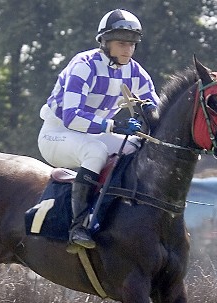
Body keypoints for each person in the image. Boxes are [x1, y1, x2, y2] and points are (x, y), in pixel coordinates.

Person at [37, 9, 160, 251]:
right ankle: (78, 225)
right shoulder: (83, 65)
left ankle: (117, 210)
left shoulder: (134, 71)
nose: (128, 50)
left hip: (93, 134)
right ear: (104, 42)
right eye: (121, 43)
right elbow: (71, 117)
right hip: (57, 134)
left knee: (135, 147)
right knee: (95, 150)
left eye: (132, 44)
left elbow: (155, 109)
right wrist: (114, 125)